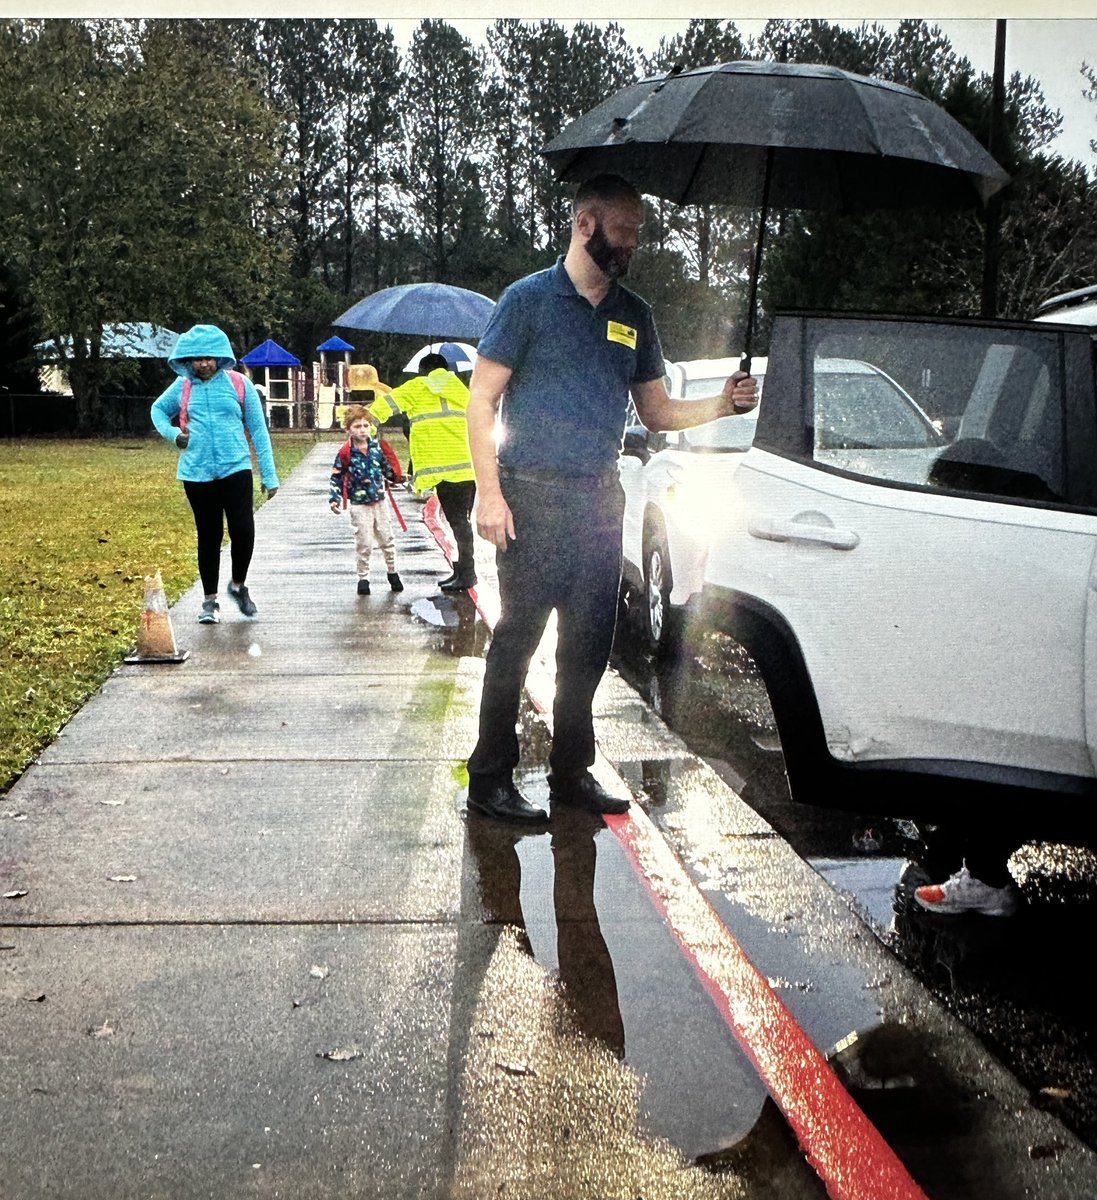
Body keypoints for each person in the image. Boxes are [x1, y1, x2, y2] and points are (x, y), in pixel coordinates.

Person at [464, 173, 758, 823]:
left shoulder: (634, 317)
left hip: (600, 499)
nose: (633, 244)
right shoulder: (527, 302)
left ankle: (572, 772)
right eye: (624, 231)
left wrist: (720, 402)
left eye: (638, 233)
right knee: (517, 639)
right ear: (585, 224)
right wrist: (490, 494)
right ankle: (488, 777)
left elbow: (654, 412)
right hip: (531, 496)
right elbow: (480, 399)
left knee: (588, 644)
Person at [151, 324, 278, 624]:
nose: (204, 363)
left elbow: (259, 429)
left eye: (210, 357)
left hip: (236, 467)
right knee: (209, 536)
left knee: (243, 529)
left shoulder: (239, 384)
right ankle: (210, 602)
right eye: (197, 358)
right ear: (187, 359)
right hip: (197, 473)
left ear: (221, 357)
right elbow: (157, 410)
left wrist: (269, 475)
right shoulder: (182, 386)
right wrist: (173, 435)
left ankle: (238, 585)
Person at [367, 351, 477, 592]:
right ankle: (462, 568)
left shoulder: (417, 387)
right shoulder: (463, 391)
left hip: (443, 468)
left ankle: (467, 573)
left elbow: (382, 407)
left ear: (423, 370)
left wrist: (367, 431)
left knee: (458, 522)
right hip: (468, 467)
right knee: (462, 521)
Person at [329, 404, 403, 596]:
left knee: (387, 538)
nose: (362, 430)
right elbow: (337, 476)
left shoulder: (377, 449)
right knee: (364, 542)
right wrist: (334, 498)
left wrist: (397, 477)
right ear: (348, 430)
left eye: (365, 425)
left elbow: (388, 470)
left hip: (379, 500)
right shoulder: (346, 453)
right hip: (359, 504)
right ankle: (363, 578)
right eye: (357, 426)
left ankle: (392, 572)